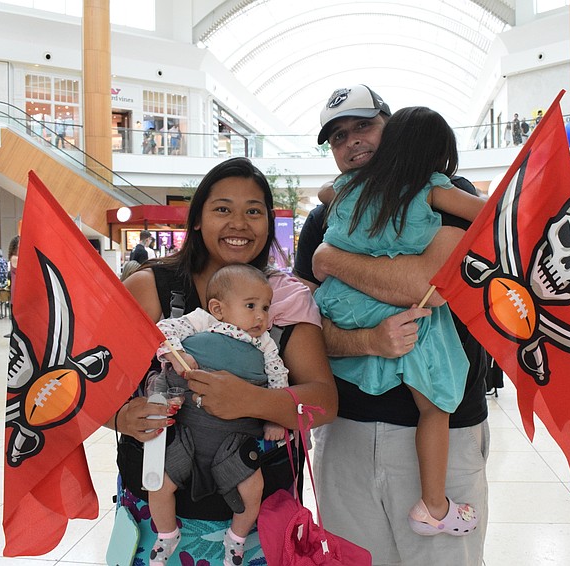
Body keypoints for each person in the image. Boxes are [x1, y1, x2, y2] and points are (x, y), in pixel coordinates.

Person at [296, 84, 490, 565]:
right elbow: (302, 327)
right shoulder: (326, 215)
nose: (352, 142)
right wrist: (366, 340)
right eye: (338, 137)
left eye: (364, 126)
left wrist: (332, 258)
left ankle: (437, 505)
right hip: (346, 431)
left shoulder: (446, 192)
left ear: (393, 125)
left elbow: (427, 285)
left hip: (444, 435)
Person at [113, 157, 336, 566]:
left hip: (256, 516)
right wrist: (120, 416)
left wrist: (252, 401)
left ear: (269, 222)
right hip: (155, 502)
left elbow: (323, 401)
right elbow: (91, 380)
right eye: (222, 209)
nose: (239, 223)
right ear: (197, 219)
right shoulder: (149, 287)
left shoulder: (285, 299)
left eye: (254, 211)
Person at [149, 264, 288, 564]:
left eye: (265, 307)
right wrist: (178, 354)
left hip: (234, 440)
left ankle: (236, 538)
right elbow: (164, 330)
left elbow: (278, 378)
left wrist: (275, 417)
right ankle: (166, 533)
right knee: (158, 484)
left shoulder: (264, 343)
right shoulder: (203, 321)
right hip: (188, 432)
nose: (261, 316)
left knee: (254, 489)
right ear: (218, 309)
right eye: (251, 306)